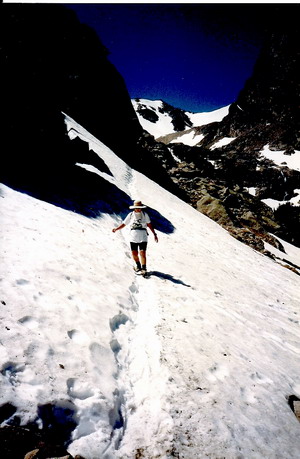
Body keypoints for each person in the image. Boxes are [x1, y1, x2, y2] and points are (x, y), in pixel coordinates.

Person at [112, 200, 158, 274]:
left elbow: (149, 224)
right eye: (137, 208)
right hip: (133, 236)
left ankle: (144, 268)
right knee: (134, 253)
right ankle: (138, 266)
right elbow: (124, 224)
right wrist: (116, 229)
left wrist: (154, 234)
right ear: (134, 208)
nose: (138, 209)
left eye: (140, 208)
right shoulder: (131, 215)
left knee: (142, 252)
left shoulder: (145, 214)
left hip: (143, 235)